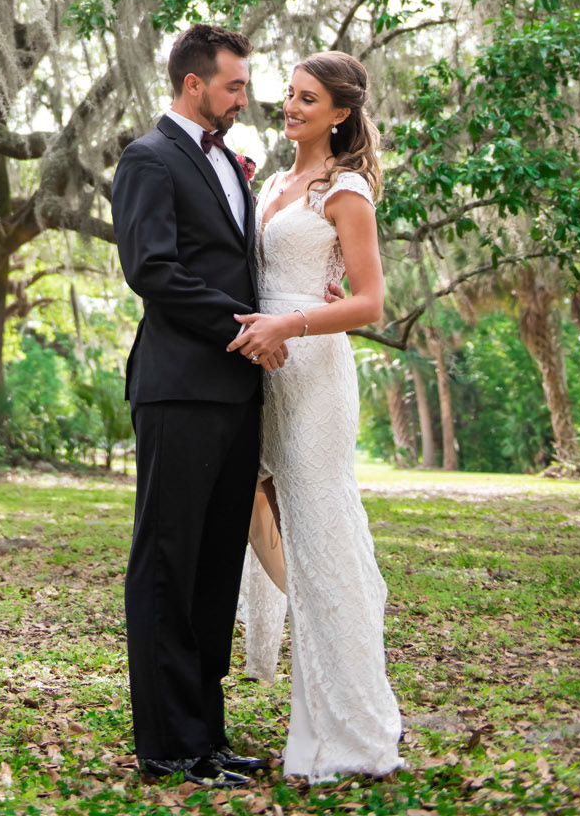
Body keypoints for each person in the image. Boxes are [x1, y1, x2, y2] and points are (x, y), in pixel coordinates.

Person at [110, 23, 285, 790]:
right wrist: (243, 330)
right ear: (193, 85)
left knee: (216, 565)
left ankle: (207, 737)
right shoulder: (148, 160)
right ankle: (165, 746)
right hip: (179, 388)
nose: (243, 98)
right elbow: (150, 270)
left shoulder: (231, 168)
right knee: (166, 564)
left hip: (237, 392)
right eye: (234, 86)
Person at [230, 50, 402, 782]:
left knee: (321, 530)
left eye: (307, 99)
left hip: (311, 370)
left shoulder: (346, 188)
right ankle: (307, 627)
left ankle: (350, 733)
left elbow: (367, 302)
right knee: (252, 508)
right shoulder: (272, 181)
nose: (290, 107)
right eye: (289, 95)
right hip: (260, 368)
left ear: (339, 113)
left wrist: (288, 327)